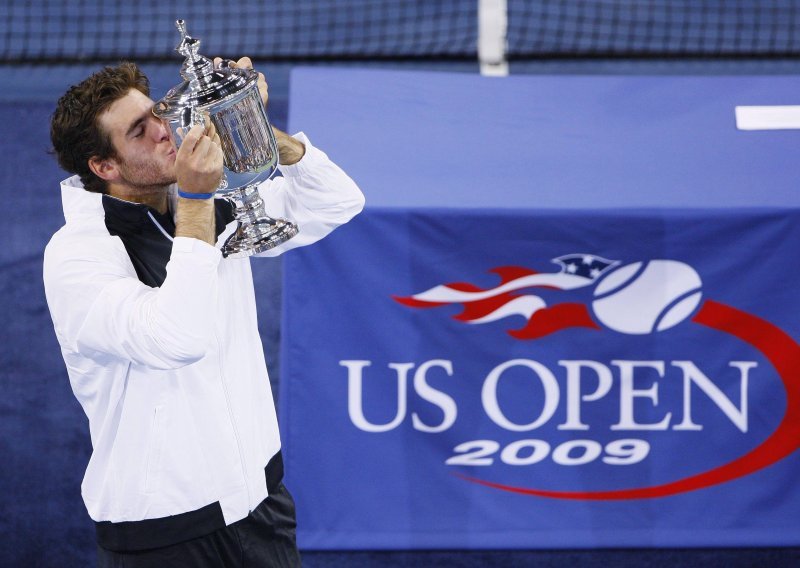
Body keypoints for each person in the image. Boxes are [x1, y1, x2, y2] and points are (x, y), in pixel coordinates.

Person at [43, 58, 364, 567]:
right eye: (139, 132)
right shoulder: (77, 255)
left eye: (157, 115)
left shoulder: (206, 204)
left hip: (260, 502)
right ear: (104, 167)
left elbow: (336, 202)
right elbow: (177, 337)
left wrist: (251, 126)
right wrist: (195, 197)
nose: (165, 133)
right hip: (164, 532)